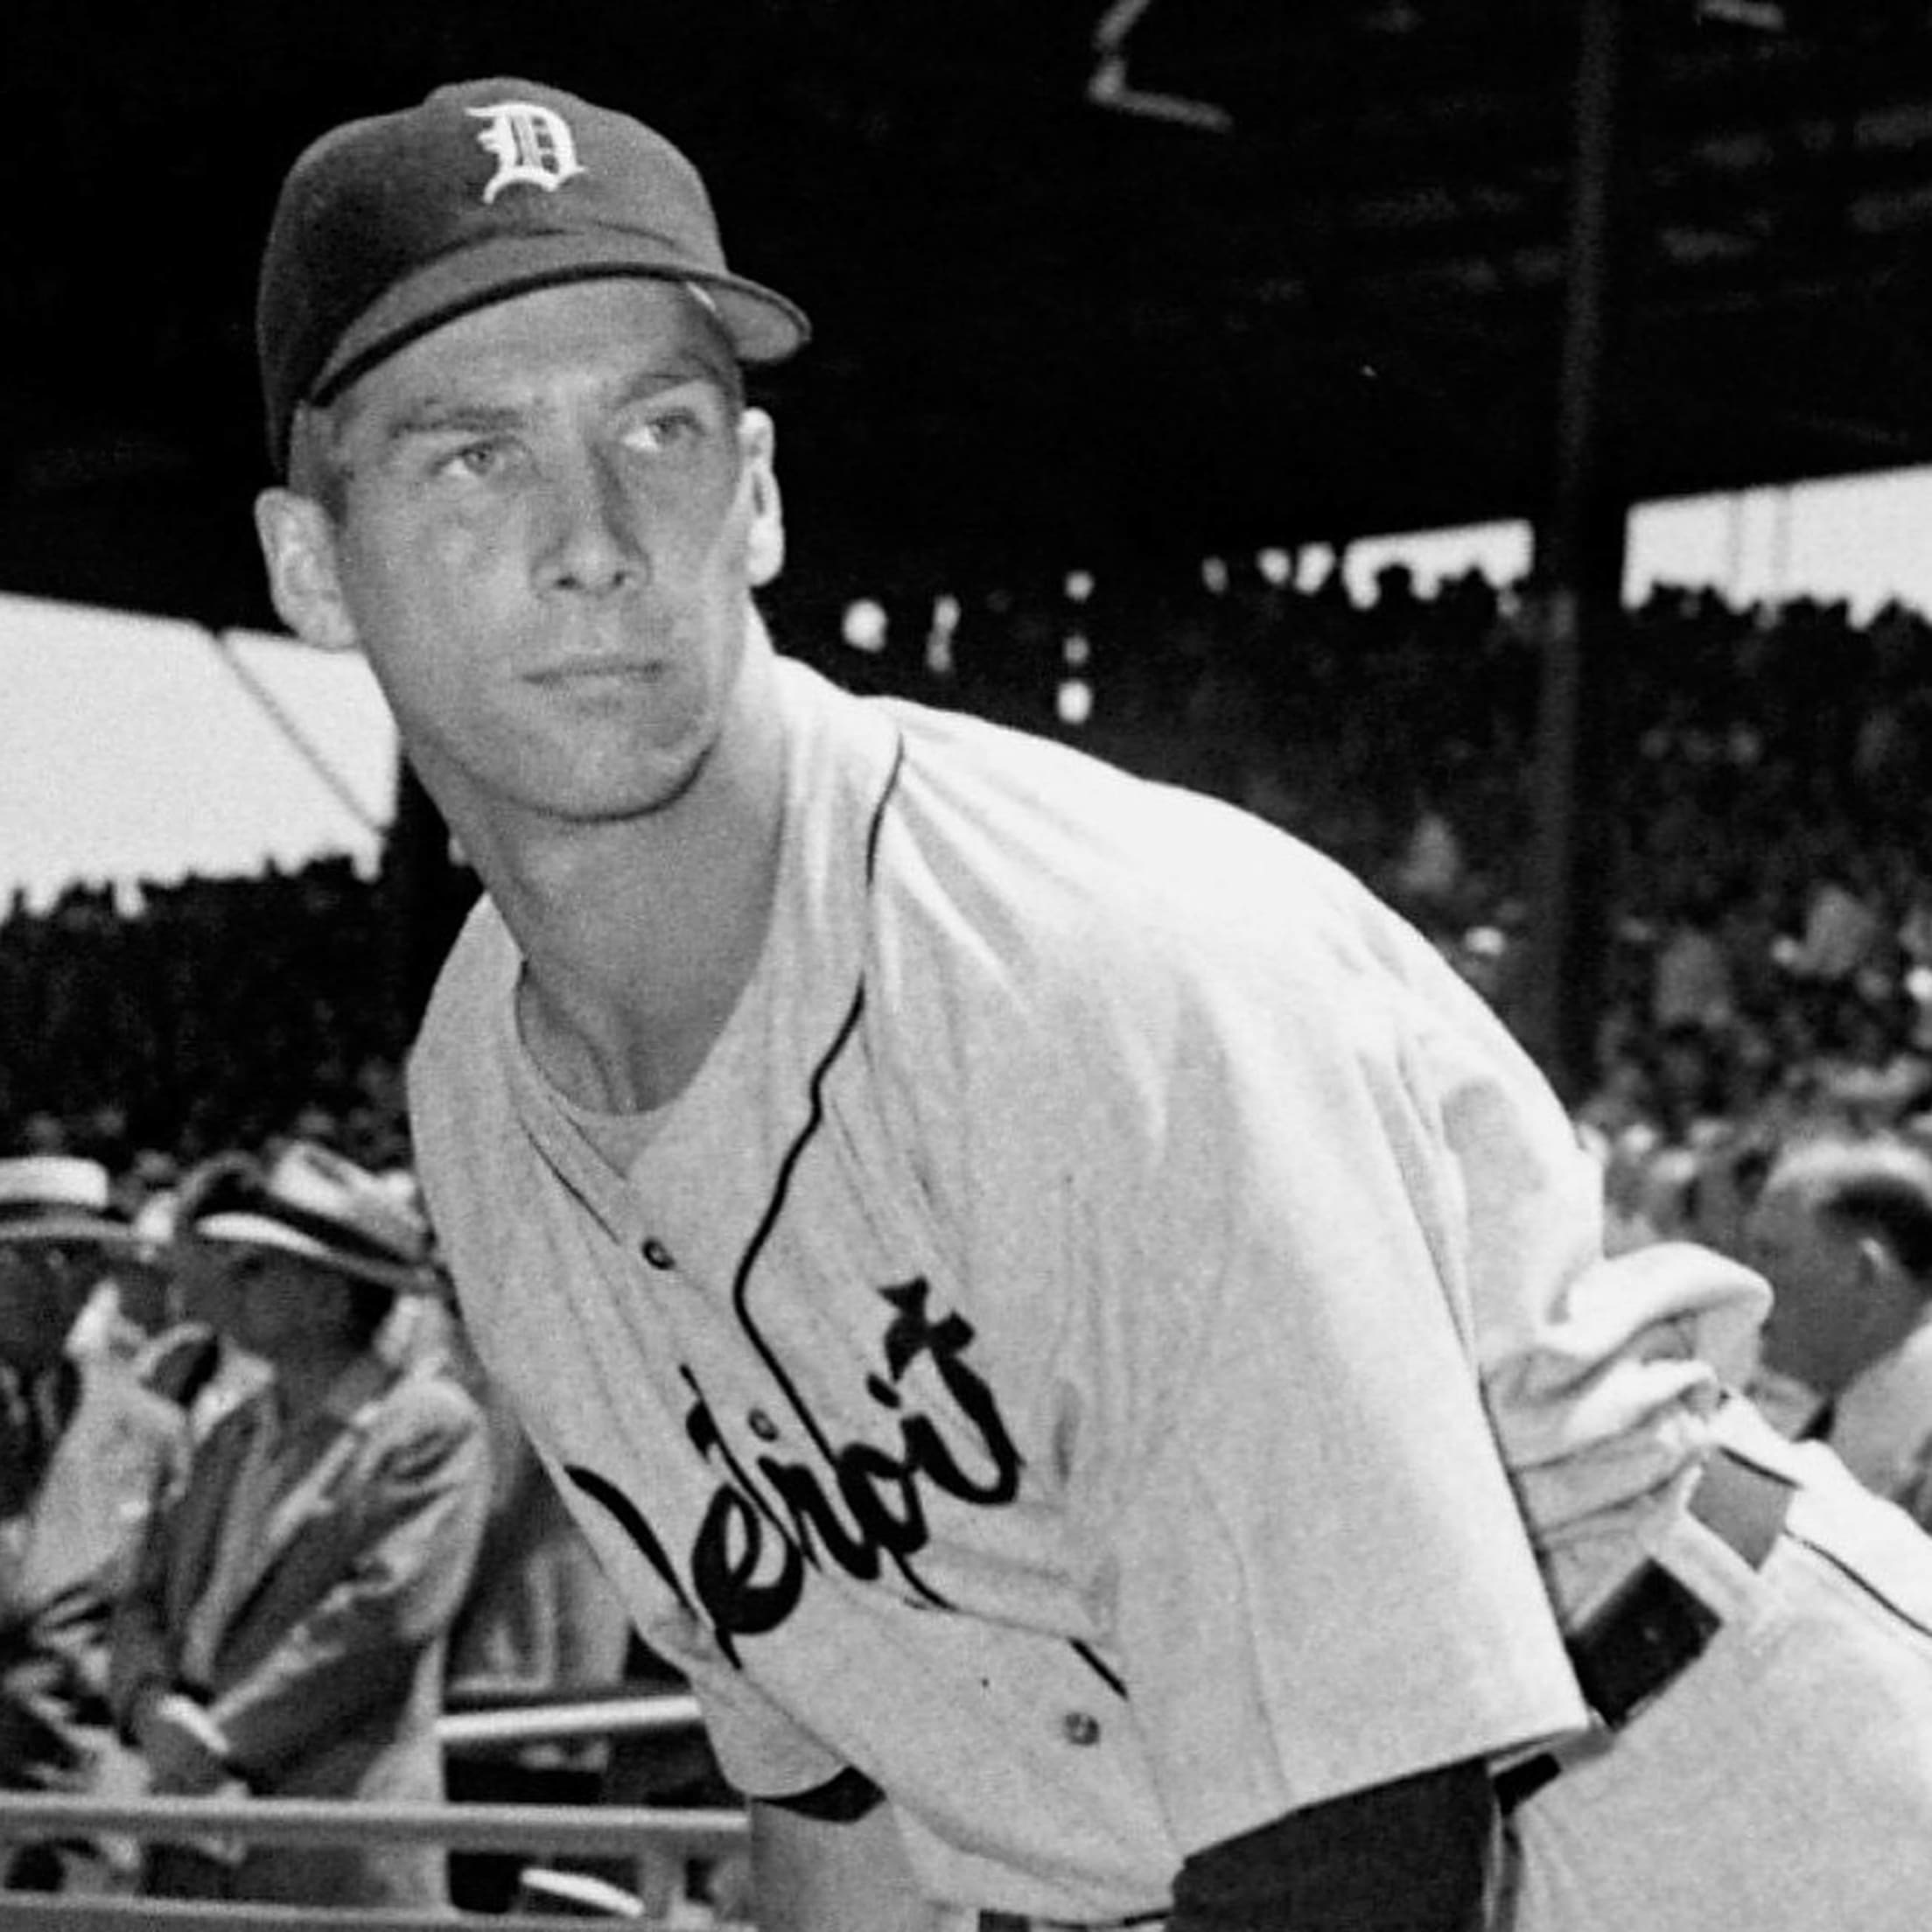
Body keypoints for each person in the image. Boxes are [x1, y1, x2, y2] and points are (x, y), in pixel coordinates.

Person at [247, 76, 1932, 1932]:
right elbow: (840, 1779)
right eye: (470, 458)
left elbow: (1359, 1841)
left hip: (1733, 1788)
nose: (595, 537)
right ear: (312, 568)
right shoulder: (485, 1104)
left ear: (763, 495)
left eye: (659, 429)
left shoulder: (1083, 972)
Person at [108, 1141, 493, 1909]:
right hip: (189, 1835)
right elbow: (144, 1594)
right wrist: (147, 1700)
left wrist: (218, 1740)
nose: (230, 1282)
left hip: (331, 1845)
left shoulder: (427, 1429)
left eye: (259, 1267)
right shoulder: (232, 1431)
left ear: (329, 1296)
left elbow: (383, 1617)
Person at [0, 1156, 187, 1892]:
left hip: (92, 1807)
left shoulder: (147, 1428)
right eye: (26, 1258)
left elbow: (170, 1613)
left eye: (80, 1257)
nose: (58, 1282)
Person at [1746, 1132, 1932, 1520]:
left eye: (1772, 1255)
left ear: (1863, 1271)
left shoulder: (1917, 1440)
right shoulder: (1846, 1411)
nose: (1750, 1283)